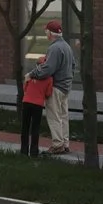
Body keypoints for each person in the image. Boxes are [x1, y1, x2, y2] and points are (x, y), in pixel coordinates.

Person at [28, 18, 76, 158]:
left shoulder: (54, 48)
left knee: (54, 116)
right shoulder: (66, 46)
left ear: (50, 33)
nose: (46, 34)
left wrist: (32, 74)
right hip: (65, 87)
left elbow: (47, 69)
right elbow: (73, 65)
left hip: (55, 87)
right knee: (63, 116)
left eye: (46, 32)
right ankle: (65, 144)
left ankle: (57, 145)